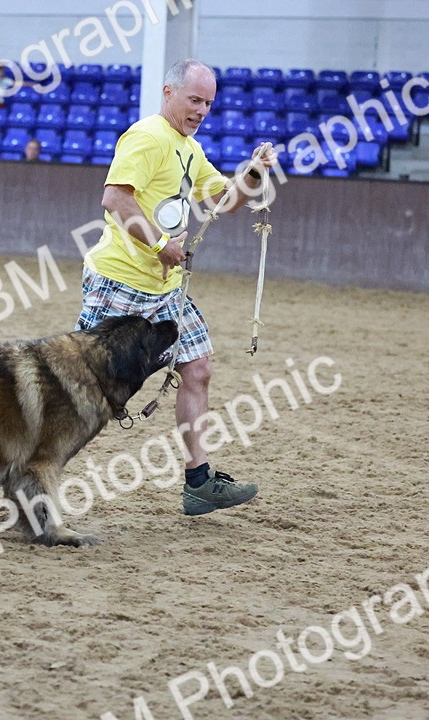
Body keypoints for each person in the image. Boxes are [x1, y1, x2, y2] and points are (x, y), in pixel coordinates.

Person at [77, 58, 279, 517]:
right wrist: (163, 244)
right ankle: (17, 462)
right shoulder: (148, 136)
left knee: (198, 367)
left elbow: (226, 201)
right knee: (84, 390)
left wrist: (253, 171)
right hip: (120, 281)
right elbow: (114, 198)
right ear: (169, 93)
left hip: (164, 288)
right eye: (194, 99)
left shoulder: (188, 147)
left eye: (208, 102)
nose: (202, 109)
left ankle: (198, 481)